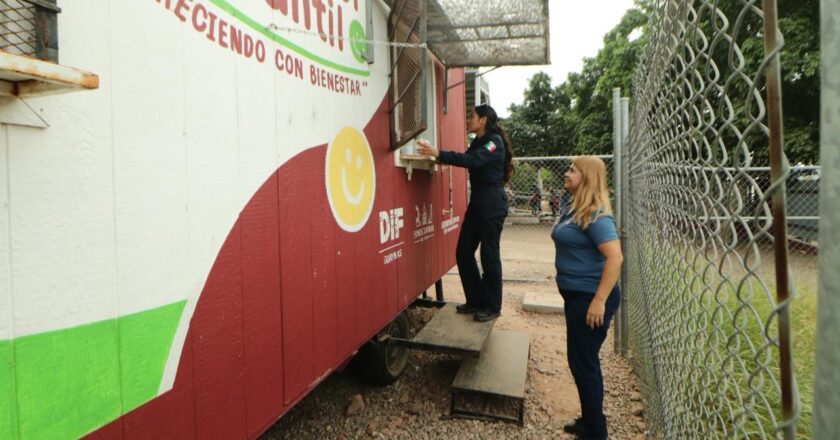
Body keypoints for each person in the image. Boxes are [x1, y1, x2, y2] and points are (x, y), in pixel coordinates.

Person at [416, 104, 514, 322]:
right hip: (478, 203)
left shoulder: (493, 142)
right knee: (463, 252)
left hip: (492, 205)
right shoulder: (478, 142)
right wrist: (435, 156)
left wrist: (439, 153)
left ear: (483, 120)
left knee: (489, 256)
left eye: (472, 116)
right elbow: (465, 158)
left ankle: (492, 306)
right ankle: (476, 300)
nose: (468, 120)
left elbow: (472, 161)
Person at [552, 156, 623, 440]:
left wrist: (598, 301)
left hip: (590, 298)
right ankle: (590, 421)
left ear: (588, 177)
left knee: (583, 363)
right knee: (583, 361)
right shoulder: (574, 208)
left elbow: (615, 258)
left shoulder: (596, 215)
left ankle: (595, 432)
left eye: (573, 170)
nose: (567, 173)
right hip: (577, 296)